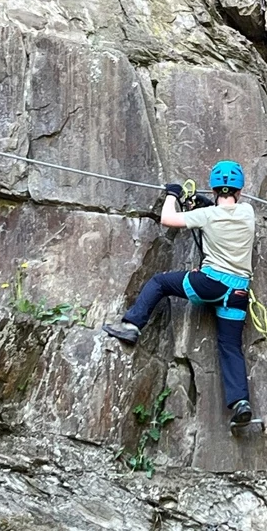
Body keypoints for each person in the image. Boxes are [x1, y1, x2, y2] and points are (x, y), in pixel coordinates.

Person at [103, 161, 257, 426]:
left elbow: (168, 219)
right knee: (230, 346)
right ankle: (241, 403)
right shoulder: (247, 212)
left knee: (160, 282)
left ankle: (132, 326)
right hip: (238, 292)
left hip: (211, 283)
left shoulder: (206, 215)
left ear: (214, 189)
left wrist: (172, 195)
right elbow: (223, 210)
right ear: (240, 191)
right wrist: (203, 203)